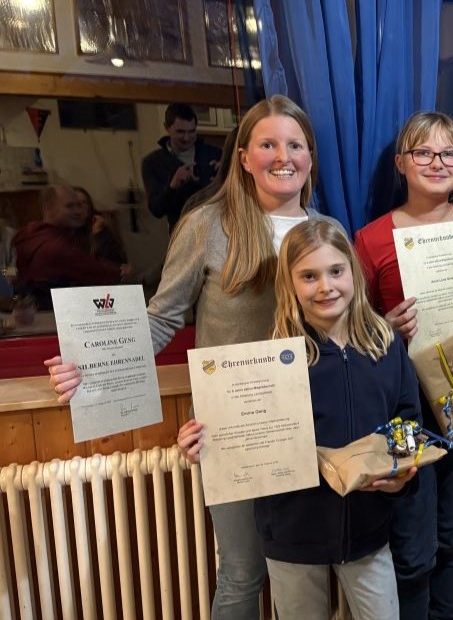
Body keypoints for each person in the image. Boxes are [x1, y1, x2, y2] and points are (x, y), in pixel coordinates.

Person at [46, 94, 337, 620]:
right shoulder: (207, 224)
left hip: (312, 422)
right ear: (243, 157)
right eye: (268, 144)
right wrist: (90, 367)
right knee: (242, 573)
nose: (283, 156)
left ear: (310, 157)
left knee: (303, 573)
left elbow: (344, 326)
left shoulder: (324, 230)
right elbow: (162, 318)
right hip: (232, 425)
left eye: (295, 145)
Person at [180, 220, 419, 620]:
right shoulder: (271, 358)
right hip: (292, 532)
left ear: (353, 272)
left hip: (369, 530)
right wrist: (205, 444)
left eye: (336, 271)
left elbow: (407, 421)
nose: (326, 286)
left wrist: (402, 473)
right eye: (309, 276)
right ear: (289, 284)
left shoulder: (385, 345)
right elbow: (237, 435)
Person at [355, 111, 453, 620]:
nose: (437, 163)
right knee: (412, 546)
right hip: (403, 406)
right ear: (401, 162)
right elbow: (356, 330)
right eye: (423, 152)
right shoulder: (371, 238)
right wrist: (384, 327)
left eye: (449, 153)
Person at [13, 185, 131, 309]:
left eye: (79, 205)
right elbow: (104, 272)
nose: (78, 211)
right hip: (54, 314)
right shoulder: (56, 246)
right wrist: (122, 273)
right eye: (70, 206)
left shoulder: (30, 234)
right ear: (48, 208)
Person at [142, 103, 222, 231]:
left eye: (191, 131)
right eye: (180, 132)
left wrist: (226, 176)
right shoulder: (153, 162)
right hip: (181, 233)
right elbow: (156, 210)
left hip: (216, 228)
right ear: (167, 128)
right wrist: (173, 187)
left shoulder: (215, 154)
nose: (186, 137)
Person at [71, 185, 128, 264]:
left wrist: (98, 234)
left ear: (89, 206)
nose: (81, 206)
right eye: (76, 203)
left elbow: (116, 260)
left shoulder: (99, 225)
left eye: (84, 202)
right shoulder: (66, 231)